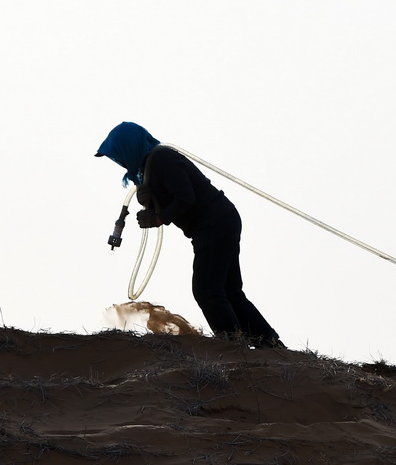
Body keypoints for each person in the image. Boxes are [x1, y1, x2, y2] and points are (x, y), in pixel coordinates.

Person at [95, 122, 283, 348]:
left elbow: (186, 198)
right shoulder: (149, 170)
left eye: (119, 155)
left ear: (129, 148)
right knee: (229, 290)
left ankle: (234, 348)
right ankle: (269, 345)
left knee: (207, 290)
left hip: (214, 223)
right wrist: (152, 205)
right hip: (220, 221)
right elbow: (176, 198)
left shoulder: (162, 158)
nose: (120, 162)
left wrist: (157, 218)